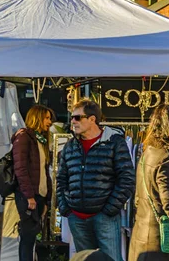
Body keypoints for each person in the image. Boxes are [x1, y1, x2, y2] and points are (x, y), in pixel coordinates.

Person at [57, 100, 135, 260]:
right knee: (85, 259)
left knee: (111, 258)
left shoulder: (114, 143)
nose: (73, 121)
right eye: (72, 117)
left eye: (78, 117)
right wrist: (66, 209)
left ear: (92, 119)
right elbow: (61, 179)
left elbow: (127, 179)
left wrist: (109, 210)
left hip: (104, 217)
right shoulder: (70, 146)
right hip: (77, 217)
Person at [129, 104, 169, 261]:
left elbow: (138, 199)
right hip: (164, 245)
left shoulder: (149, 152)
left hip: (143, 238)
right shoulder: (167, 157)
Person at [12, 105, 53, 261]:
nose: (49, 122)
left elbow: (44, 171)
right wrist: (29, 196)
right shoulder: (24, 137)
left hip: (39, 195)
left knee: (31, 237)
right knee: (28, 239)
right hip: (28, 196)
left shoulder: (41, 140)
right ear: (37, 117)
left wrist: (47, 199)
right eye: (47, 118)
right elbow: (20, 168)